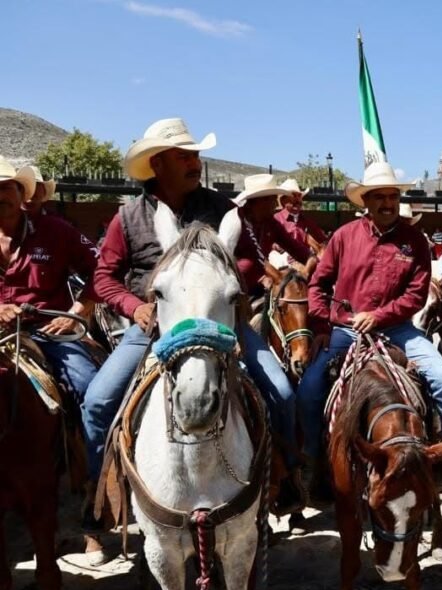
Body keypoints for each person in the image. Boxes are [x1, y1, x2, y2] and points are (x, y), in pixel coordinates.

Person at [84, 118, 300, 521]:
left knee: (283, 394)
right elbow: (103, 277)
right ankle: (106, 495)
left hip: (221, 324)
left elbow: (251, 258)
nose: (194, 163)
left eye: (195, 155)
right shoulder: (129, 217)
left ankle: (281, 478)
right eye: (184, 156)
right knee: (97, 402)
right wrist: (136, 307)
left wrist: (218, 283)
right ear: (158, 163)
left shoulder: (223, 209)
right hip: (153, 326)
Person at [300, 161, 442, 496]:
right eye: (379, 197)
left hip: (397, 328)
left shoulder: (415, 240)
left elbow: (416, 294)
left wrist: (380, 316)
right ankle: (312, 462)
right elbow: (317, 285)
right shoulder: (343, 237)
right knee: (310, 387)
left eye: (392, 196)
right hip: (345, 328)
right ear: (366, 202)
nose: (387, 203)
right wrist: (320, 324)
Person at [0, 156, 100, 473]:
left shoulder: (57, 231)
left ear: (20, 193)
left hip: (48, 332)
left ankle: (98, 480)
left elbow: (102, 272)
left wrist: (75, 313)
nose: (0, 196)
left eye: (6, 188)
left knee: (90, 387)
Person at [274, 177, 328, 260]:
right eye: (293, 196)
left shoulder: (307, 221)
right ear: (283, 200)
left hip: (306, 261)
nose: (298, 200)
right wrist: (275, 246)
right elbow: (267, 243)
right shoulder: (275, 220)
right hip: (283, 263)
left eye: (299, 196)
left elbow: (323, 241)